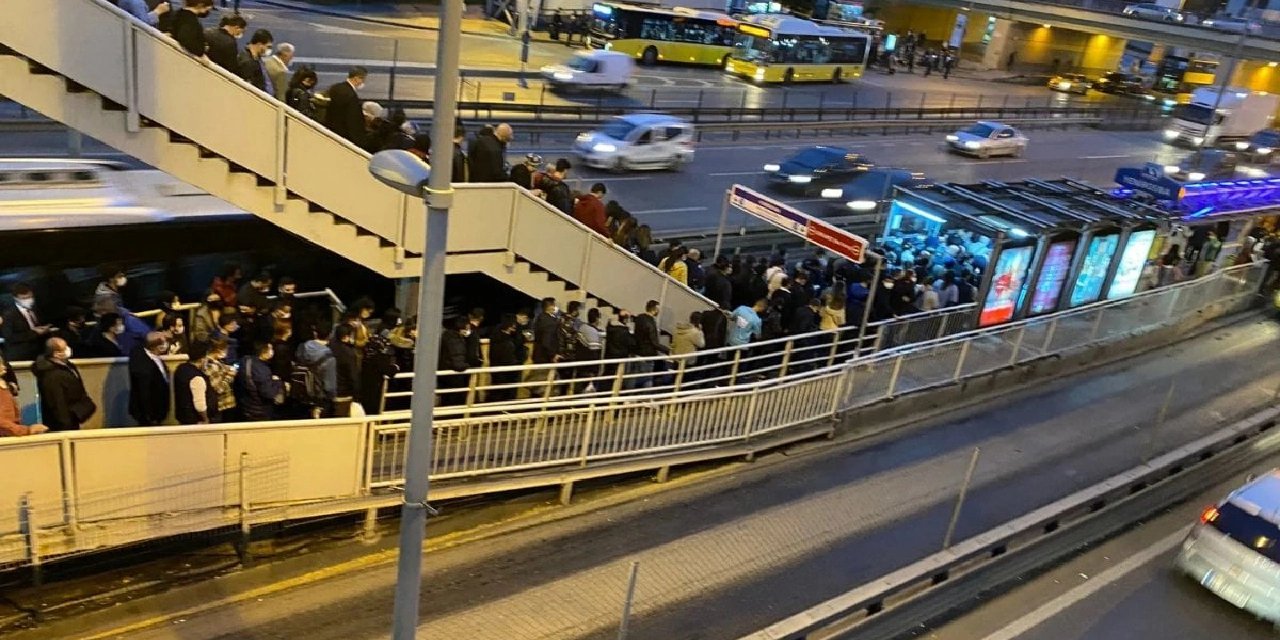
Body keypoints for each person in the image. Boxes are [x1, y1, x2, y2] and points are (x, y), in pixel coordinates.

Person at [34, 338, 95, 431]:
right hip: (62, 426)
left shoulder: (67, 366)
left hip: (73, 418)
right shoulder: (51, 375)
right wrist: (66, 425)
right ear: (56, 354)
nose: (68, 349)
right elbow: (57, 403)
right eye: (65, 348)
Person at [359, 309, 401, 414]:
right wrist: (394, 368)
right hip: (374, 381)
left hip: (368, 377)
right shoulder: (384, 336)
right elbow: (381, 362)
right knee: (372, 407)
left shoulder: (377, 335)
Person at [128, 332, 171, 426]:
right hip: (150, 413)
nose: (166, 345)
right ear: (158, 346)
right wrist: (150, 416)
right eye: (164, 342)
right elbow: (144, 392)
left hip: (158, 411)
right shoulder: (144, 367)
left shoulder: (148, 355)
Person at [234, 342, 284, 421]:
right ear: (264, 352)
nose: (272, 351)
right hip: (259, 409)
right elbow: (268, 393)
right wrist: (277, 382)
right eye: (270, 349)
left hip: (245, 404)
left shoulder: (245, 360)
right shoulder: (262, 370)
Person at [294, 325, 336, 418]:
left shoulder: (301, 348)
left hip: (300, 395)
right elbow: (329, 385)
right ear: (330, 335)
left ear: (315, 333)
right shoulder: (329, 357)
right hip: (319, 399)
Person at [2, 283, 52, 362]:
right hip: (21, 356)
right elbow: (9, 337)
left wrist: (43, 330)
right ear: (16, 298)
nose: (29, 300)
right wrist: (34, 333)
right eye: (24, 298)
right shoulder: (8, 315)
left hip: (40, 353)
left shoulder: (36, 309)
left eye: (30, 297)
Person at [324, 66, 370, 147]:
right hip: (346, 135)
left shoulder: (336, 87)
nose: (362, 82)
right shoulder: (351, 95)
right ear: (356, 78)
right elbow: (352, 119)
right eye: (362, 79)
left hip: (332, 130)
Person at [174, 341, 218, 425]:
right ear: (202, 359)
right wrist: (205, 419)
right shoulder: (196, 377)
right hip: (196, 421)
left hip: (183, 418)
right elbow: (200, 405)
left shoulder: (180, 369)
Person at [630, 300, 667, 389]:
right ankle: (645, 398)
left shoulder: (639, 318)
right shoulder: (651, 323)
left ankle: (631, 397)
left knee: (634, 378)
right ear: (655, 309)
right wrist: (667, 350)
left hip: (637, 352)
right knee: (647, 379)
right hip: (648, 354)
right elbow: (654, 342)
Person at [486, 316, 522, 403]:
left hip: (506, 368)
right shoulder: (500, 338)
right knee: (500, 391)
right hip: (503, 368)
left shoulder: (510, 336)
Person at [438, 316, 470, 406]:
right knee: (455, 401)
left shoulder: (447, 336)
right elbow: (457, 362)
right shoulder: (455, 340)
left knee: (446, 400)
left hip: (445, 375)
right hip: (454, 377)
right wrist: (467, 365)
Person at [330, 323, 360, 417]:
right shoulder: (348, 353)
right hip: (344, 392)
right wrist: (357, 393)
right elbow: (353, 375)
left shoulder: (329, 347)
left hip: (329, 390)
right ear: (346, 336)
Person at [203, 338, 237, 421]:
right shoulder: (210, 366)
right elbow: (219, 389)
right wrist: (229, 377)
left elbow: (224, 370)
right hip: (221, 406)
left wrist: (228, 370)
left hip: (227, 404)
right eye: (225, 350)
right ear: (218, 350)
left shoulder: (217, 362)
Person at [237, 29, 276, 94]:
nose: (268, 50)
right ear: (260, 44)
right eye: (268, 46)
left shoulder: (258, 59)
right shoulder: (247, 62)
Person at [531, 297, 560, 365]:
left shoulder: (540, 317)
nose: (555, 307)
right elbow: (547, 341)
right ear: (550, 307)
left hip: (538, 355)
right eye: (554, 305)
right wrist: (553, 355)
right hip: (545, 357)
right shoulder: (549, 322)